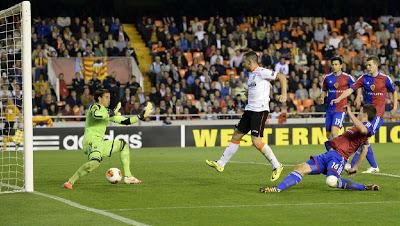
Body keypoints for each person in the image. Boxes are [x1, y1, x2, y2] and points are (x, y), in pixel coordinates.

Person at [206, 51, 287, 182]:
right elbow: (259, 89)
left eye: (244, 62)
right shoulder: (251, 75)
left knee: (256, 141)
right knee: (237, 135)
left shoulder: (262, 71)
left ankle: (277, 166)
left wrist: (284, 94)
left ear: (250, 62)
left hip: (259, 111)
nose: (243, 64)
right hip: (250, 110)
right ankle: (221, 163)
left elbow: (282, 77)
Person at [260, 104, 379, 193]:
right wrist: (355, 167)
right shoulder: (359, 131)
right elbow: (365, 149)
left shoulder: (367, 126)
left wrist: (349, 113)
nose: (358, 113)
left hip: (338, 158)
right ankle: (277, 189)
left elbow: (364, 137)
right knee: (301, 168)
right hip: (328, 155)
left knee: (331, 181)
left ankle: (363, 187)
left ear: (365, 114)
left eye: (360, 112)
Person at [63, 89, 153, 190]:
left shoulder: (107, 111)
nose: (108, 100)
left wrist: (140, 116)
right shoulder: (94, 107)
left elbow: (124, 121)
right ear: (99, 98)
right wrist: (111, 113)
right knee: (94, 163)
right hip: (91, 141)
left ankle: (128, 177)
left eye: (109, 97)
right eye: (106, 97)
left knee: (123, 145)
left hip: (100, 142)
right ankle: (70, 181)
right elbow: (97, 116)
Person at [332, 56, 398, 173]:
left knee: (363, 138)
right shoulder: (363, 78)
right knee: (364, 140)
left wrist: (395, 106)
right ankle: (373, 166)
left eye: (370, 65)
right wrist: (339, 98)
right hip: (365, 115)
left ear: (376, 65)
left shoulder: (385, 78)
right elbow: (350, 89)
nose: (367, 67)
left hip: (377, 115)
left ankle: (352, 166)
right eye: (366, 65)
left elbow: (394, 91)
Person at [319, 57, 355, 140]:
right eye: (333, 64)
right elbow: (324, 90)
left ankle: (337, 152)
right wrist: (322, 97)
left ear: (341, 66)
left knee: (334, 133)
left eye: (336, 64)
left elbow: (356, 87)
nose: (334, 66)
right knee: (328, 135)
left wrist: (358, 98)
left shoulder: (347, 77)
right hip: (329, 109)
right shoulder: (327, 77)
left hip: (340, 109)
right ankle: (332, 151)